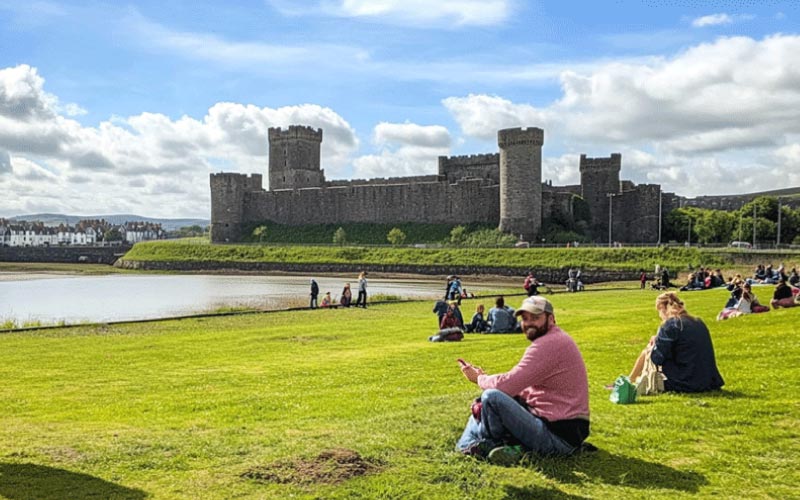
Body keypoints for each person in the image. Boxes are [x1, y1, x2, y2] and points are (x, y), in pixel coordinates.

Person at [456, 296, 590, 463]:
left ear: (551, 318)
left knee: (491, 397)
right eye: (525, 319)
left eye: (535, 318)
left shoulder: (549, 344)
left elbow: (507, 385)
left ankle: (479, 445)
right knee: (484, 402)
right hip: (559, 430)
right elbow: (518, 382)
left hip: (558, 438)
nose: (528, 323)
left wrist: (479, 378)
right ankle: (494, 446)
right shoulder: (555, 340)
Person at [629, 292, 724, 393]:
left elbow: (656, 358)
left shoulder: (670, 325)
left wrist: (655, 344)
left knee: (647, 350)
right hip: (708, 380)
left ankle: (630, 380)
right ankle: (630, 379)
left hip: (685, 382)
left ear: (662, 307)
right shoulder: (698, 322)